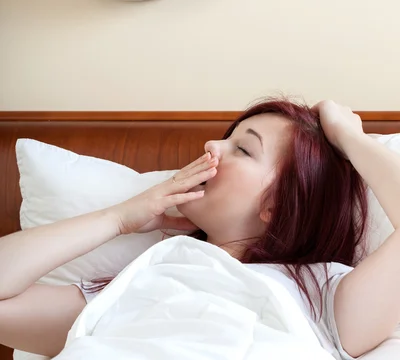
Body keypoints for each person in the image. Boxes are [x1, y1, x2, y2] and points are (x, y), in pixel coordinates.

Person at [0, 97, 399, 359]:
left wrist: (350, 137)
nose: (211, 145)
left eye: (242, 149)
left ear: (278, 205)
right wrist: (119, 218)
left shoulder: (319, 293)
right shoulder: (137, 279)